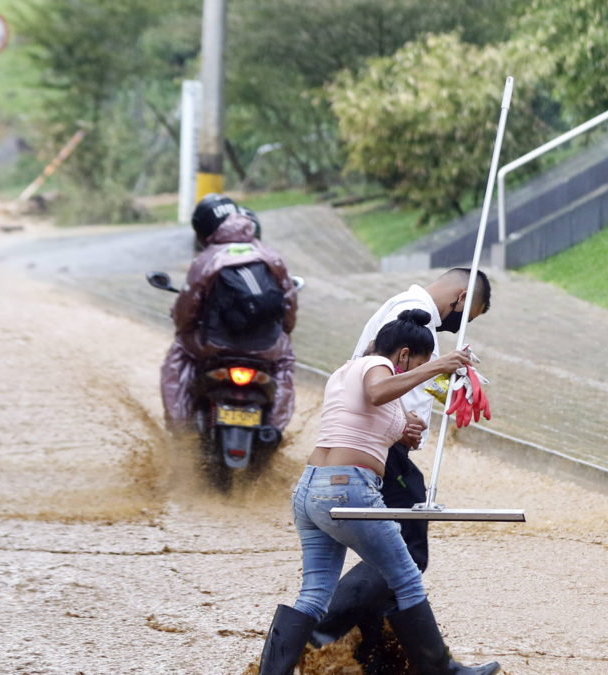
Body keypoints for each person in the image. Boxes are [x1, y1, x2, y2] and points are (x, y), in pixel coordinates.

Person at [256, 309, 478, 675]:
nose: (413, 377)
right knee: (407, 577)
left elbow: (362, 422)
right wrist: (438, 366)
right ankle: (445, 672)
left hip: (311, 489)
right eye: (415, 367)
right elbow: (377, 392)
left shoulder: (345, 371)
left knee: (313, 596)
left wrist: (403, 430)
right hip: (347, 489)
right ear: (402, 355)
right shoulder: (379, 366)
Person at [311, 268, 499, 675]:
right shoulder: (416, 314)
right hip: (378, 450)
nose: (459, 326)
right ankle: (320, 636)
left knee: (389, 553)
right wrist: (403, 421)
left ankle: (373, 656)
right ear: (461, 298)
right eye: (468, 316)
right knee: (406, 551)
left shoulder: (404, 308)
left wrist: (451, 387)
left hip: (355, 456)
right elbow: (384, 379)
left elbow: (402, 377)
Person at [160, 194, 296, 433]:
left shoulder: (207, 259)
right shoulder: (269, 255)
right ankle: (274, 428)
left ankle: (180, 429)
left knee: (180, 350)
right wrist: (283, 332)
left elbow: (187, 310)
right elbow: (289, 301)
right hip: (267, 346)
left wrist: (184, 328)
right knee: (285, 360)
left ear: (203, 229)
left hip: (215, 345)